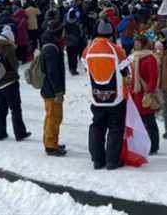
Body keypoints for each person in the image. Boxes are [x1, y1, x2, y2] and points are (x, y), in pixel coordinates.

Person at [82, 20, 127, 170]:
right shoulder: (116, 50)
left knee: (97, 126)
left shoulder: (88, 50)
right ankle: (112, 161)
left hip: (96, 96)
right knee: (115, 127)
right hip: (116, 96)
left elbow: (85, 65)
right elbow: (125, 71)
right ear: (111, 34)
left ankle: (97, 159)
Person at [0, 33, 30, 139]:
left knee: (1, 109)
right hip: (9, 83)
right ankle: (20, 133)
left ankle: (0, 134)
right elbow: (14, 65)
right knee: (15, 108)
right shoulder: (8, 49)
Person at [130, 36, 160, 155]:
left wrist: (150, 92)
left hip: (145, 94)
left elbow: (153, 77)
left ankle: (153, 145)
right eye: (135, 43)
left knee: (149, 121)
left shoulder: (150, 58)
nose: (136, 45)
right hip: (136, 93)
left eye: (138, 43)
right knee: (140, 122)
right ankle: (143, 144)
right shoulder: (135, 57)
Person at [40, 21, 67, 156]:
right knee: (54, 117)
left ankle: (50, 142)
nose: (64, 33)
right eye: (62, 30)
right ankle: (51, 145)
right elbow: (52, 72)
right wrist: (58, 91)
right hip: (51, 90)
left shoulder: (50, 44)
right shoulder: (52, 48)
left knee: (52, 116)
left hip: (49, 88)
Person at [64, 9, 85, 75]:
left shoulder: (66, 24)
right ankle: (74, 69)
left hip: (68, 42)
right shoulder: (77, 23)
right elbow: (81, 33)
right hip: (76, 42)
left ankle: (71, 68)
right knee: (74, 56)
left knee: (69, 56)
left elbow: (64, 33)